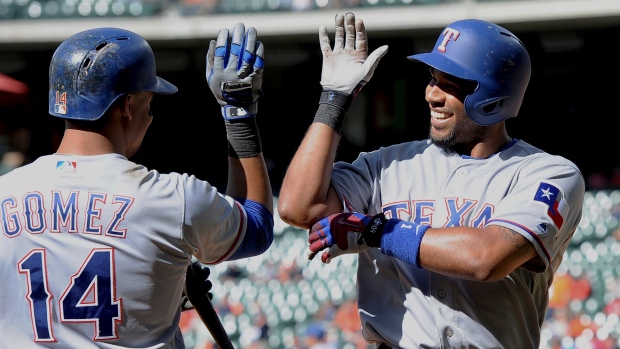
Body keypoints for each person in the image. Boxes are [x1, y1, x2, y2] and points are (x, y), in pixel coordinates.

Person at [277, 12, 585, 349]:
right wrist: (334, 99)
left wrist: (375, 230)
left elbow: (487, 258)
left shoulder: (548, 173)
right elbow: (298, 208)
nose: (432, 95)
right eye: (432, 79)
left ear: (494, 98)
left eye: (450, 85)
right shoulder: (387, 163)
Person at [0, 23, 273, 348]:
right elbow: (256, 226)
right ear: (127, 106)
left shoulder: (5, 192)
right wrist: (238, 114)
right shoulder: (174, 199)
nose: (150, 116)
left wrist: (164, 287)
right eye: (148, 104)